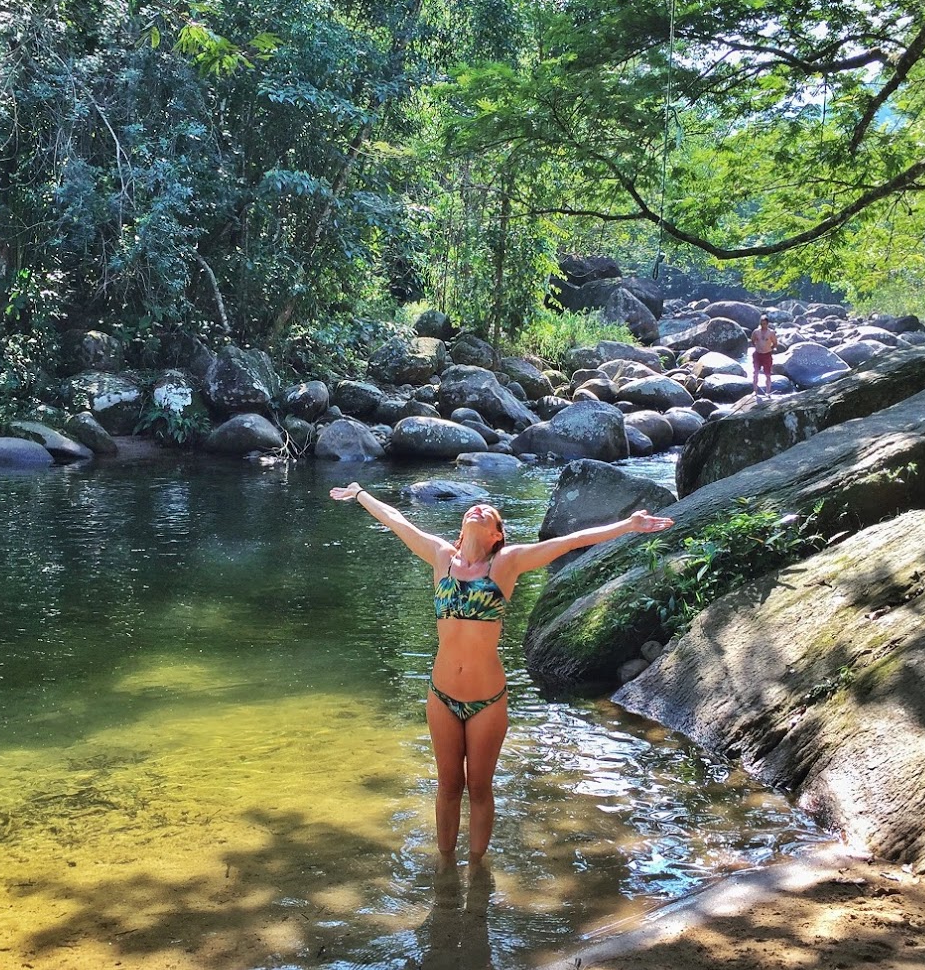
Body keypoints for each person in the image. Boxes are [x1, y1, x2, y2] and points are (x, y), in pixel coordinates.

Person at [329, 482, 674, 863]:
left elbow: (569, 541)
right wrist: (360, 493)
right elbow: (397, 520)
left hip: (487, 700)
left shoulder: (505, 564)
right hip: (441, 695)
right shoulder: (441, 557)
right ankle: (444, 871)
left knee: (478, 788)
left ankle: (476, 870)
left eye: (489, 513)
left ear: (496, 535)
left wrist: (628, 525)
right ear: (462, 529)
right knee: (447, 786)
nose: (479, 510)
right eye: (473, 509)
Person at [750, 314, 779, 397]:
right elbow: (752, 341)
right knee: (755, 373)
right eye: (762, 323)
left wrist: (769, 349)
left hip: (767, 355)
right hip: (757, 355)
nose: (763, 325)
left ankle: (767, 391)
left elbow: (775, 343)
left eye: (765, 324)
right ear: (760, 323)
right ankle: (755, 391)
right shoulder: (756, 332)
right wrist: (757, 346)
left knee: (768, 374)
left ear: (767, 323)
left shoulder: (771, 333)